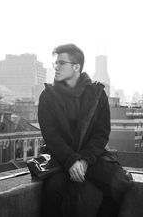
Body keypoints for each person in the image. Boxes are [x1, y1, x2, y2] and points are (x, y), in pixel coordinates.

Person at [38, 43, 132, 217]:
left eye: (61, 63)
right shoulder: (47, 96)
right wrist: (71, 160)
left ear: (76, 67)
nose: (56, 67)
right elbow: (51, 136)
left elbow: (101, 133)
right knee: (52, 189)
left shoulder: (97, 94)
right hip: (60, 157)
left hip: (91, 157)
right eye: (55, 63)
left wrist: (84, 161)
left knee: (121, 182)